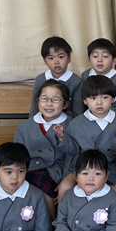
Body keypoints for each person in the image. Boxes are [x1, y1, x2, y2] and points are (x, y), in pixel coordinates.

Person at [56, 76, 116, 198]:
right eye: (93, 98)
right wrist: (62, 138)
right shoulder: (76, 123)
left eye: (105, 97)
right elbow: (72, 149)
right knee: (64, 188)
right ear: (85, 101)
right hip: (82, 169)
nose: (99, 102)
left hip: (110, 169)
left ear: (113, 99)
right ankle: (62, 211)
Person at [14, 80, 72, 221]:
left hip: (57, 170)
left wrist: (67, 177)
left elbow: (74, 155)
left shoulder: (72, 124)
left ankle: (52, 222)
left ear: (65, 104)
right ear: (37, 101)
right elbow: (17, 155)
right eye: (44, 99)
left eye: (55, 100)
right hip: (29, 168)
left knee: (42, 180)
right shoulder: (25, 127)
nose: (49, 104)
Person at [29, 36, 83, 118]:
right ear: (45, 61)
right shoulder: (40, 80)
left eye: (61, 57)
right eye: (51, 58)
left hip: (67, 123)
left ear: (69, 58)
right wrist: (32, 123)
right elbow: (35, 108)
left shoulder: (77, 82)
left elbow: (78, 112)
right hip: (44, 121)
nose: (56, 62)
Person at [80, 38, 116, 117]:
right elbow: (83, 101)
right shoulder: (85, 75)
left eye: (105, 56)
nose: (100, 59)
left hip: (112, 117)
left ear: (114, 61)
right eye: (95, 56)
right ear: (89, 61)